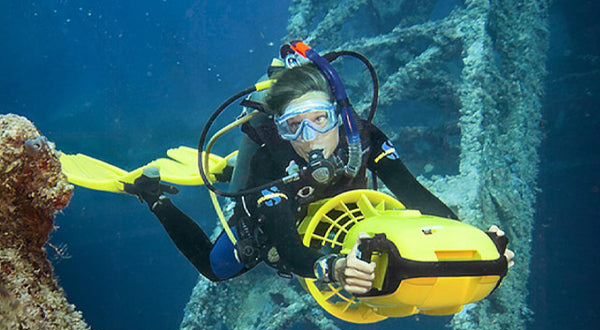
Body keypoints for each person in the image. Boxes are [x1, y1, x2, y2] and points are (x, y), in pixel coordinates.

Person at [127, 62, 514, 294]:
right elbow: (291, 250)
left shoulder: (363, 137)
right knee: (215, 269)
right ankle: (154, 197)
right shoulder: (270, 165)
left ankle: (229, 167)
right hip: (278, 218)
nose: (310, 138)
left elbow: (414, 193)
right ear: (279, 130)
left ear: (338, 115)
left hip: (340, 215)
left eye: (319, 120)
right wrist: (334, 268)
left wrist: (473, 240)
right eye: (294, 126)